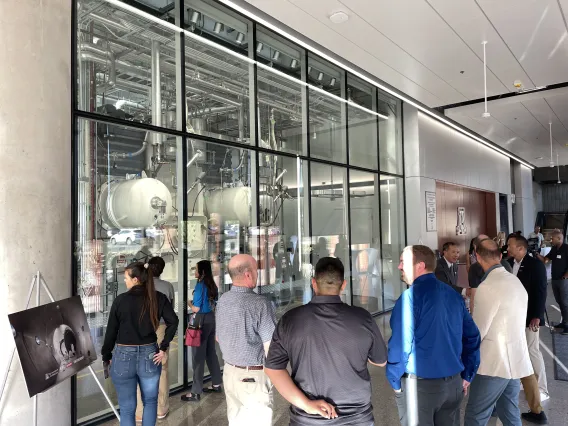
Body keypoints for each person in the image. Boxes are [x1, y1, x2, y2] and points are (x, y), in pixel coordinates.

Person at [265, 257, 387, 426]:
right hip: (357, 419)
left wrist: (307, 405)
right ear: (343, 285)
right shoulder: (363, 318)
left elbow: (273, 369)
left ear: (313, 283)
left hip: (307, 420)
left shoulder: (290, 320)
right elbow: (380, 361)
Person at [387, 245, 480, 426]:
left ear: (420, 266)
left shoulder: (409, 298)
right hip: (453, 385)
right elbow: (472, 337)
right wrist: (467, 375)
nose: (399, 267)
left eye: (402, 262)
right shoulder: (453, 296)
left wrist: (394, 381)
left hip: (420, 389)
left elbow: (400, 346)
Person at [464, 240, 533, 426]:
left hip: (493, 364)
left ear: (477, 257)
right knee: (509, 412)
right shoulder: (515, 281)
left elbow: (477, 332)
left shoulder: (487, 288)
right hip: (514, 362)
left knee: (475, 415)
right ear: (501, 256)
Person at [101, 262, 179, 426]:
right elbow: (174, 321)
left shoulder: (120, 300)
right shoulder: (158, 298)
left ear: (135, 279)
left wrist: (106, 355)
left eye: (126, 278)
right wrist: (163, 347)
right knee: (150, 402)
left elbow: (111, 333)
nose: (125, 282)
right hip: (150, 355)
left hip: (123, 356)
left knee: (127, 407)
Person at [216, 254, 276, 425]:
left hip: (229, 374)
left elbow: (218, 337)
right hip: (253, 378)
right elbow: (271, 348)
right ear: (248, 274)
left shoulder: (223, 300)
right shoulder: (260, 304)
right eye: (256, 270)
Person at [507, 235, 549, 423]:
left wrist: (537, 316)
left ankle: (541, 387)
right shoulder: (508, 263)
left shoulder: (535, 265)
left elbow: (541, 291)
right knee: (521, 351)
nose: (507, 248)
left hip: (530, 316)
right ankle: (526, 383)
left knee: (532, 350)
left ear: (521, 248)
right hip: (513, 317)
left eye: (510, 246)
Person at [135, 257, 175, 421]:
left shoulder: (141, 286)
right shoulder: (167, 287)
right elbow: (170, 311)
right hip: (161, 329)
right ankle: (160, 409)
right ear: (162, 269)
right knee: (162, 369)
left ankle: (139, 410)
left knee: (140, 369)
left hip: (142, 330)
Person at [181, 260, 222, 402]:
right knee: (211, 353)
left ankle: (195, 392)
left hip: (200, 321)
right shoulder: (212, 285)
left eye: (196, 269)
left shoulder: (200, 286)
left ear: (202, 271)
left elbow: (196, 309)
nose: (194, 272)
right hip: (211, 318)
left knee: (197, 357)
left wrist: (189, 302)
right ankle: (216, 383)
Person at [467, 235, 513, 314]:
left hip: (486, 313)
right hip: (507, 312)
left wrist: (472, 320)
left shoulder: (474, 268)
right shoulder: (506, 264)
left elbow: (474, 298)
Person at [538, 230, 568, 334]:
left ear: (559, 238)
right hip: (555, 280)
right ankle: (564, 322)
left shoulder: (566, 248)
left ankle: (567, 325)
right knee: (560, 302)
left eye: (552, 238)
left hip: (563, 281)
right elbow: (546, 260)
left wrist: (565, 277)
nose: (551, 240)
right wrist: (536, 254)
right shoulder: (554, 249)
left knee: (565, 303)